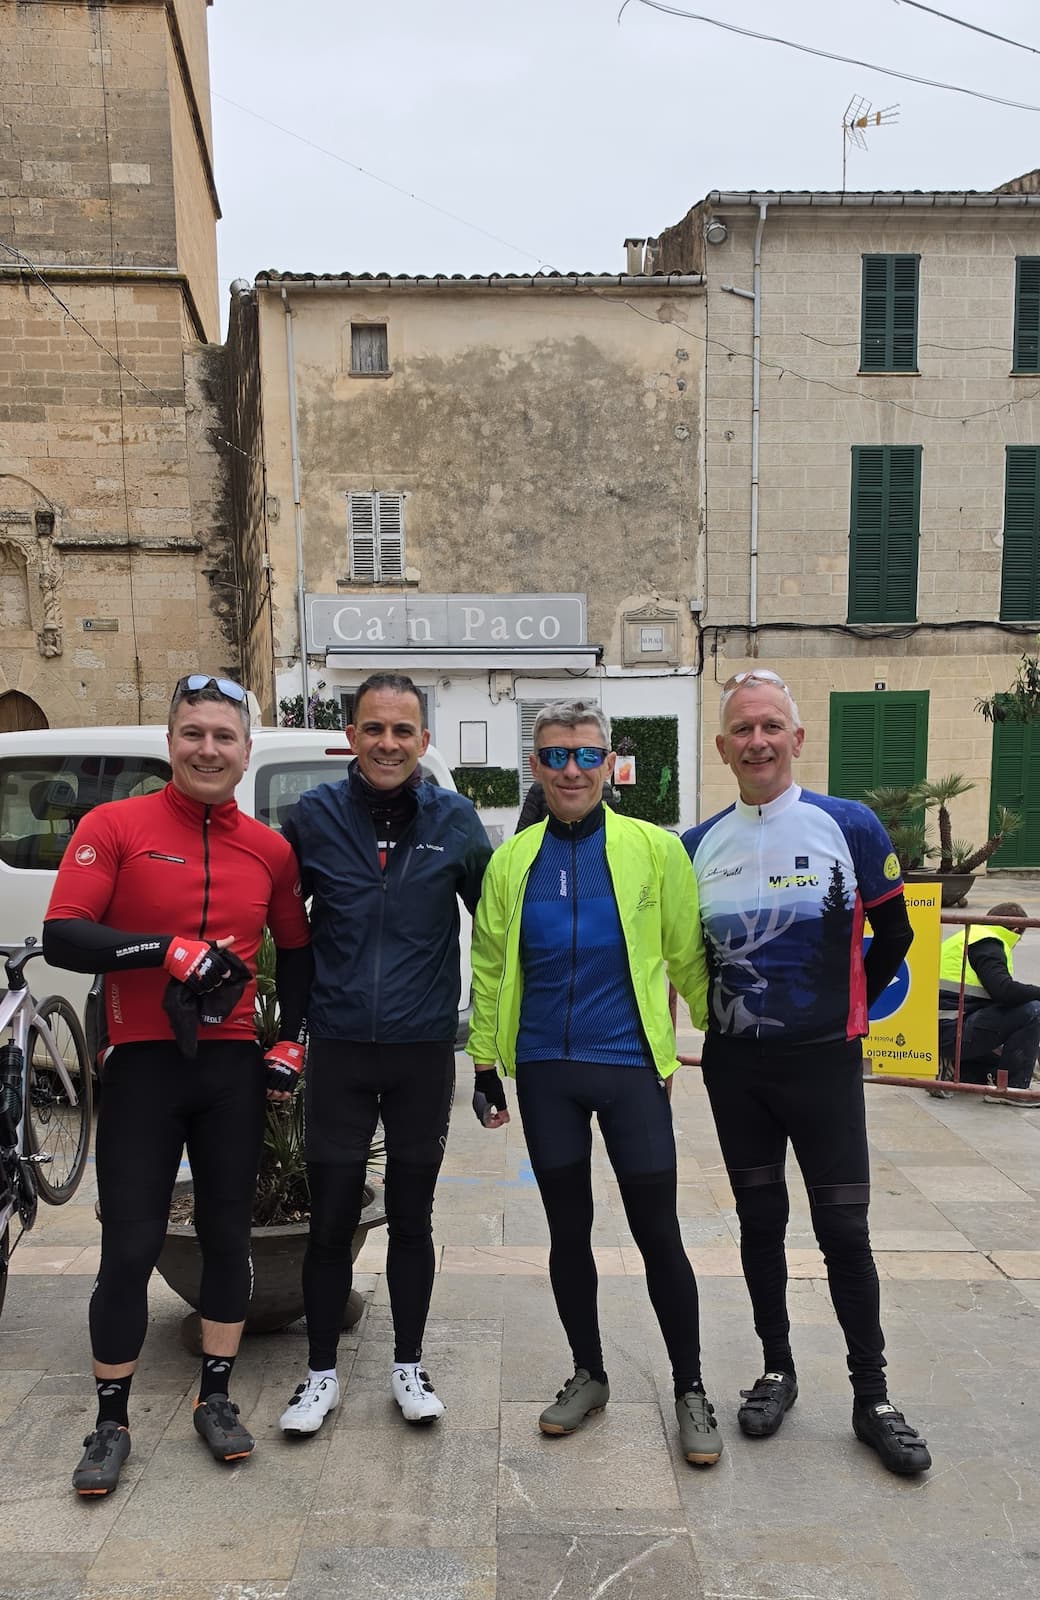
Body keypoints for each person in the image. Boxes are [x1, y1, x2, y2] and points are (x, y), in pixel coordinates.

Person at [43, 674, 312, 1496]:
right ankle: (110, 1421)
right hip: (143, 1066)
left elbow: (300, 954)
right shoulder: (115, 825)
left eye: (223, 737)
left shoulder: (268, 850)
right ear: (170, 743)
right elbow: (65, 936)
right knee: (129, 1247)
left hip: (230, 1069)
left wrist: (291, 1042)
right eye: (193, 733)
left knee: (228, 1237)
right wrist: (163, 950)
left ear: (246, 752)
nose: (208, 749)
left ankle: (216, 1398)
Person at [683, 669, 931, 1476]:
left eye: (770, 726)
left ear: (796, 737)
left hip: (824, 1064)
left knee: (844, 1231)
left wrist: (845, 1007)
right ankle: (776, 1369)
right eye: (742, 730)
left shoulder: (847, 825)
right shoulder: (695, 845)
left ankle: (873, 1398)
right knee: (760, 1223)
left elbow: (896, 936)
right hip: (736, 1070)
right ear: (722, 747)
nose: (757, 741)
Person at [469, 699, 724, 1466]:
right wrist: (483, 1064)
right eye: (556, 755)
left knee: (658, 1234)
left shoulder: (654, 849)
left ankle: (690, 1388)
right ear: (536, 766)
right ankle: (589, 1373)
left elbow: (686, 952)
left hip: (629, 1067)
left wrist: (720, 1031)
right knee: (567, 1232)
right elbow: (490, 964)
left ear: (611, 764)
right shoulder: (513, 861)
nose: (572, 770)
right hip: (546, 1070)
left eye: (587, 755)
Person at [276, 672, 492, 1435]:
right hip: (338, 1049)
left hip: (421, 1051)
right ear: (352, 737)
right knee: (330, 1219)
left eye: (403, 731)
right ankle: (320, 1375)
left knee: (412, 1217)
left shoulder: (456, 820)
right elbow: (283, 932)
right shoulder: (314, 818)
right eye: (374, 728)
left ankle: (409, 1364)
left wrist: (494, 1046)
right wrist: (286, 1032)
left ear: (423, 740)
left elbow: (498, 928)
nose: (388, 743)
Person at [938, 901, 1040, 1098]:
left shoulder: (969, 936)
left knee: (1006, 1059)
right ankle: (1013, 1090)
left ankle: (954, 1069)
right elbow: (1004, 991)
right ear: (1016, 930)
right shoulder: (988, 944)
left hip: (942, 1027)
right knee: (1032, 1010)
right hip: (952, 1031)